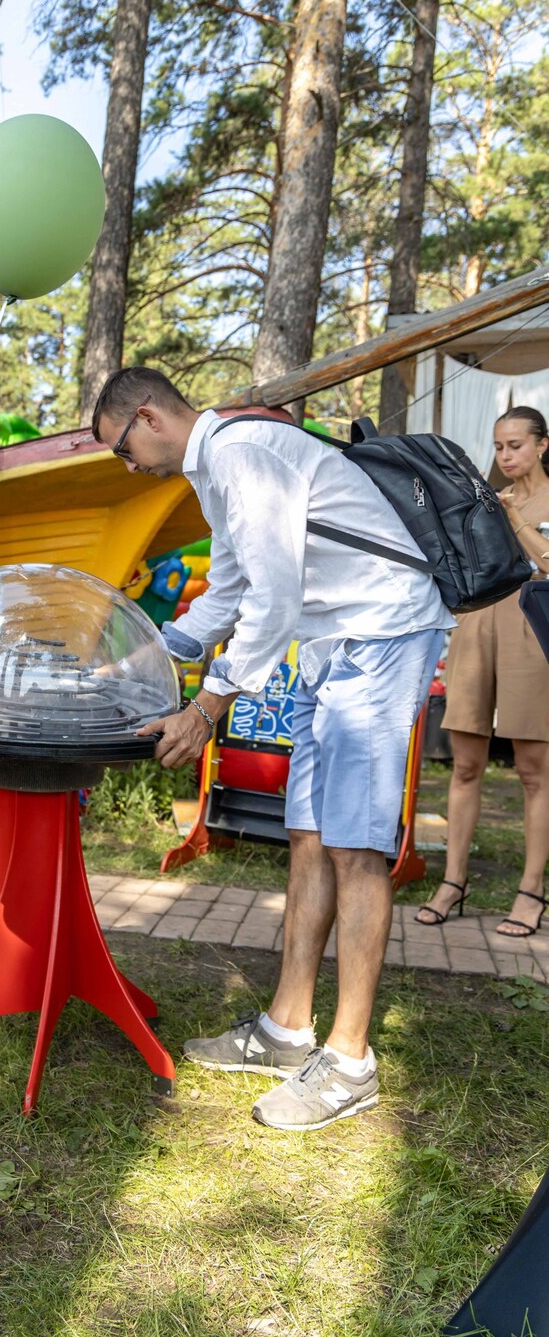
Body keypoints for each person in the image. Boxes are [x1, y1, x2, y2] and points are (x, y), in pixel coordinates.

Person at [92, 367, 453, 1131]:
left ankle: (350, 1061)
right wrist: (143, 658)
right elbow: (226, 591)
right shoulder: (219, 469)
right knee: (307, 834)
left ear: (148, 417)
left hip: (381, 633)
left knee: (354, 845)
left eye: (121, 448)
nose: (128, 466)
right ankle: (289, 1028)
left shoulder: (245, 453)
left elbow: (274, 596)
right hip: (329, 644)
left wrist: (209, 701)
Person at [416, 405, 549, 936]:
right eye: (497, 447)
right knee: (464, 766)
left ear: (543, 444)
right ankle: (453, 882)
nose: (505, 456)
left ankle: (531, 890)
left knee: (534, 772)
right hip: (475, 628)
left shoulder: (528, 501)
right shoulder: (480, 500)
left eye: (515, 445)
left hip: (532, 631)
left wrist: (514, 518)